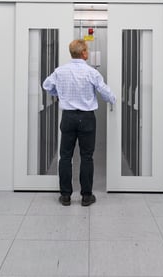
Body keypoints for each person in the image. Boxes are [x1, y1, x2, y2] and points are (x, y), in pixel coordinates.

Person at [42, 39, 116, 206]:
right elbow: (105, 92)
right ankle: (86, 196)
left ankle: (66, 196)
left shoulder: (60, 71)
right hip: (87, 119)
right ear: (83, 53)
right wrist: (113, 99)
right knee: (87, 157)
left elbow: (46, 86)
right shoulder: (91, 72)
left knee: (65, 156)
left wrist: (59, 93)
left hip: (68, 117)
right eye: (87, 51)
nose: (88, 53)